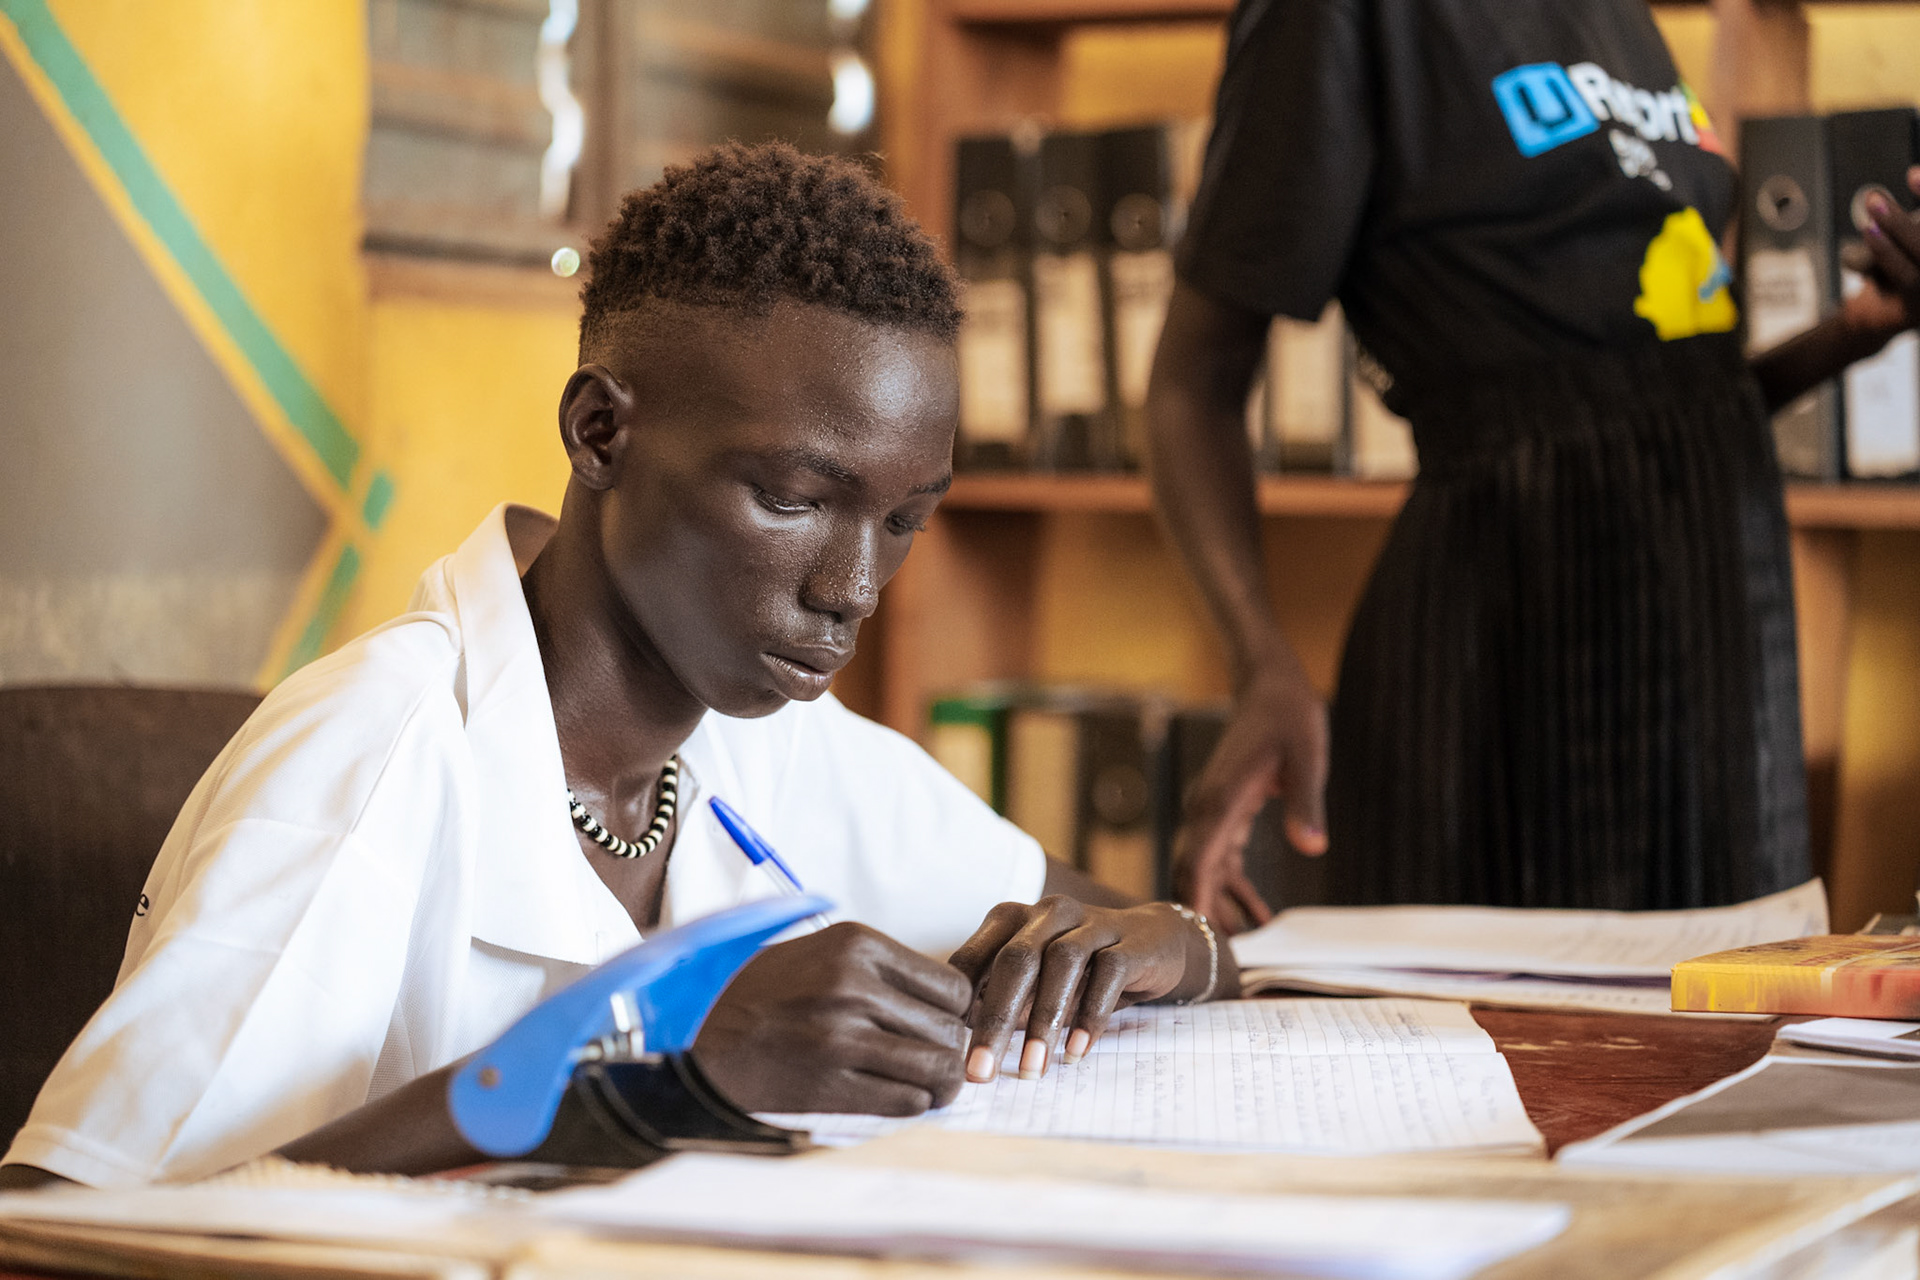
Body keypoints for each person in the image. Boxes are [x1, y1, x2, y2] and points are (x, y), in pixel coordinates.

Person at [0, 142, 1232, 1190]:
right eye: (796, 498)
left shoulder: (764, 725)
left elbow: (1097, 914)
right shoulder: (368, 763)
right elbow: (59, 1236)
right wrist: (647, 1079)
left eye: (905, 519)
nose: (853, 587)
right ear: (601, 432)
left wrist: (1167, 941)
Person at [1150, 0, 1920, 926]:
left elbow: (1662, 391)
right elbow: (1189, 387)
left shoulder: (1619, 16)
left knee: (1722, 1034)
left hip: (1725, 627)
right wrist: (1261, 662)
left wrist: (1859, 330)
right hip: (1519, 636)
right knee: (1525, 1049)